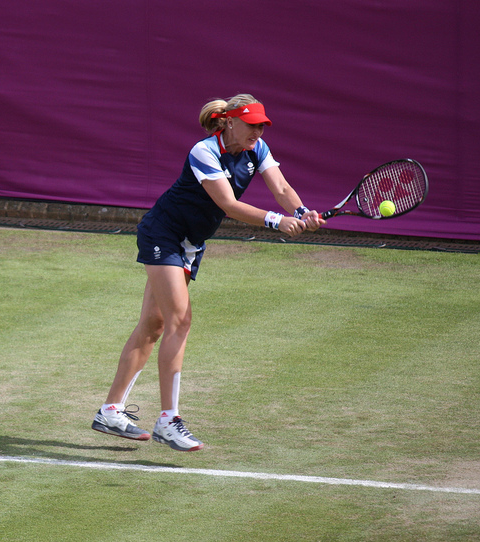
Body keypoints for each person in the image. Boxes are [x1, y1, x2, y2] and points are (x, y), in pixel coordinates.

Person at [91, 93, 325, 451]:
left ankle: (110, 411)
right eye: (251, 125)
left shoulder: (258, 150)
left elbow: (281, 188)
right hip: (164, 234)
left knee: (154, 325)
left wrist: (302, 211)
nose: (258, 132)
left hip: (190, 243)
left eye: (262, 126)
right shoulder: (204, 151)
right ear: (229, 121)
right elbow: (228, 204)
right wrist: (277, 221)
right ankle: (168, 420)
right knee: (180, 321)